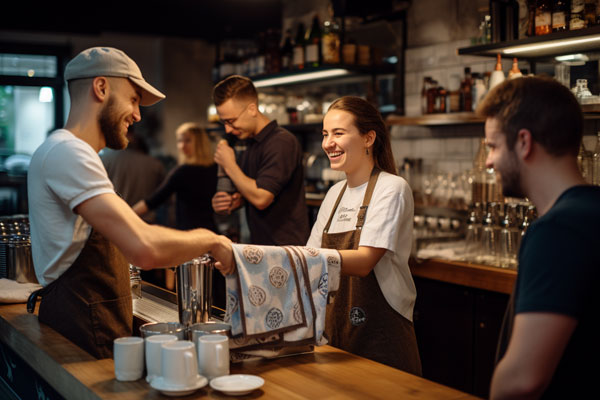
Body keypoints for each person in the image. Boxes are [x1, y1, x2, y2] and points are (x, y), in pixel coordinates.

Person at [27, 46, 232, 359]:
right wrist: (213, 240)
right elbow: (143, 248)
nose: (137, 115)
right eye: (133, 99)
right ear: (101, 87)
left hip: (85, 325)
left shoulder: (66, 151)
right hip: (84, 332)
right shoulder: (68, 152)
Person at [216, 96, 422, 374]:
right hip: (336, 331)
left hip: (382, 335)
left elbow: (363, 262)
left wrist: (251, 257)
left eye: (339, 133)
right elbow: (307, 261)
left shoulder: (392, 188)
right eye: (325, 134)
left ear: (368, 138)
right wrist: (242, 263)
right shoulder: (335, 194)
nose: (328, 143)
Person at [478, 76, 599, 399]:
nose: (489, 162)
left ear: (523, 142)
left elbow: (522, 379)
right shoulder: (591, 211)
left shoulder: (558, 230)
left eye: (492, 146)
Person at [211, 75, 310, 246]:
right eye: (224, 122)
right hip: (263, 248)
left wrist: (229, 164)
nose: (227, 129)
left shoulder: (281, 142)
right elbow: (252, 191)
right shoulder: (251, 144)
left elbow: (261, 198)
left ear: (251, 109)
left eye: (231, 121)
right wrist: (234, 201)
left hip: (287, 251)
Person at [133, 122, 223, 300]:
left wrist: (125, 217)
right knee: (212, 294)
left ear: (199, 142)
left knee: (191, 295)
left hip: (188, 239)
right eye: (180, 141)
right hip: (210, 235)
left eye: (187, 140)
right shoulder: (215, 169)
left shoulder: (182, 172)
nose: (182, 146)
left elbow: (152, 201)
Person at [101, 127, 166, 224]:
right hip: (146, 222)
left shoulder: (103, 160)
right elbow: (166, 201)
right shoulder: (156, 165)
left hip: (114, 221)